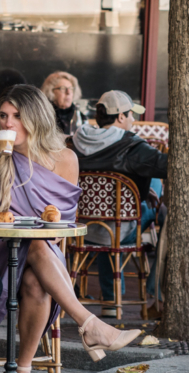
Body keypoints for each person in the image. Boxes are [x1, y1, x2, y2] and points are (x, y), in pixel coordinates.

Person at [0, 84, 140, 373]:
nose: (7, 124)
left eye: (17, 116)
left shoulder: (64, 158)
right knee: (36, 245)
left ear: (35, 118)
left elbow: (60, 225)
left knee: (37, 267)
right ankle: (90, 325)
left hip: (42, 257)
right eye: (3, 116)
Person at [71, 90, 168, 316]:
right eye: (131, 114)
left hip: (80, 227)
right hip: (119, 227)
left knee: (112, 221)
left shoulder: (75, 141)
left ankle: (110, 301)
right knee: (165, 218)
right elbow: (168, 165)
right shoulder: (132, 146)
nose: (134, 120)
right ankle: (158, 294)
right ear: (121, 117)